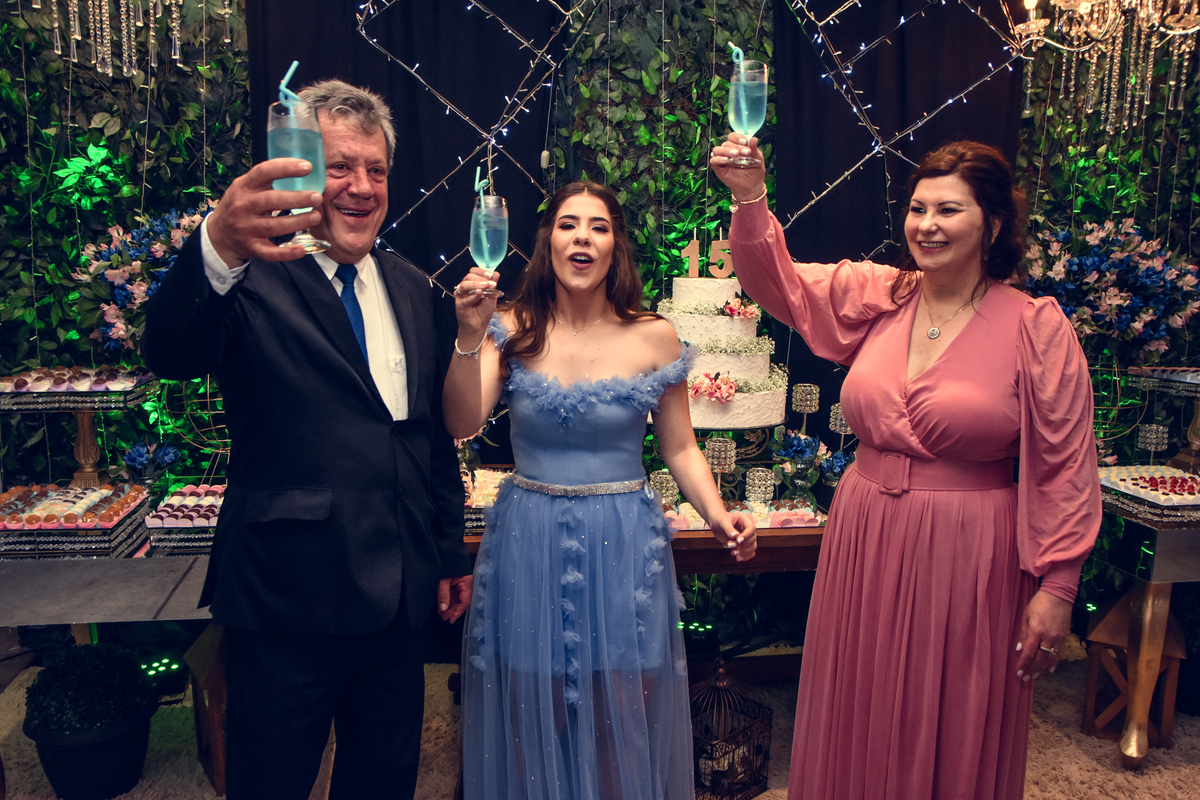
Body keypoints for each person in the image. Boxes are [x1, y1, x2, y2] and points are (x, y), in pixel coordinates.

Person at [709, 136, 1101, 799]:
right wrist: (751, 199)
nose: (927, 225)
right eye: (918, 209)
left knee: (947, 713)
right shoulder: (881, 295)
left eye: (948, 210)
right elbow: (779, 284)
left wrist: (1058, 585)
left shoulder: (1034, 327)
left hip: (968, 551)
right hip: (864, 535)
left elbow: (1065, 463)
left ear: (993, 224)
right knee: (856, 702)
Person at [141, 80, 473, 800]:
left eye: (376, 169)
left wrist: (448, 550)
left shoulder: (412, 288)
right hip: (286, 600)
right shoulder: (249, 274)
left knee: (383, 785)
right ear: (299, 172)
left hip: (397, 604)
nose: (362, 187)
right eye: (340, 167)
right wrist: (216, 243)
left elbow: (427, 438)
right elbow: (169, 353)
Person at [445, 181, 757, 800]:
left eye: (598, 226)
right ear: (548, 242)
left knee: (621, 713)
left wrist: (719, 515)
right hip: (530, 537)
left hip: (623, 542)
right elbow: (461, 421)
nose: (582, 237)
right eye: (568, 225)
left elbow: (680, 448)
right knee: (533, 714)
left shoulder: (654, 335)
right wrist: (468, 336)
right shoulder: (512, 327)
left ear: (616, 246)